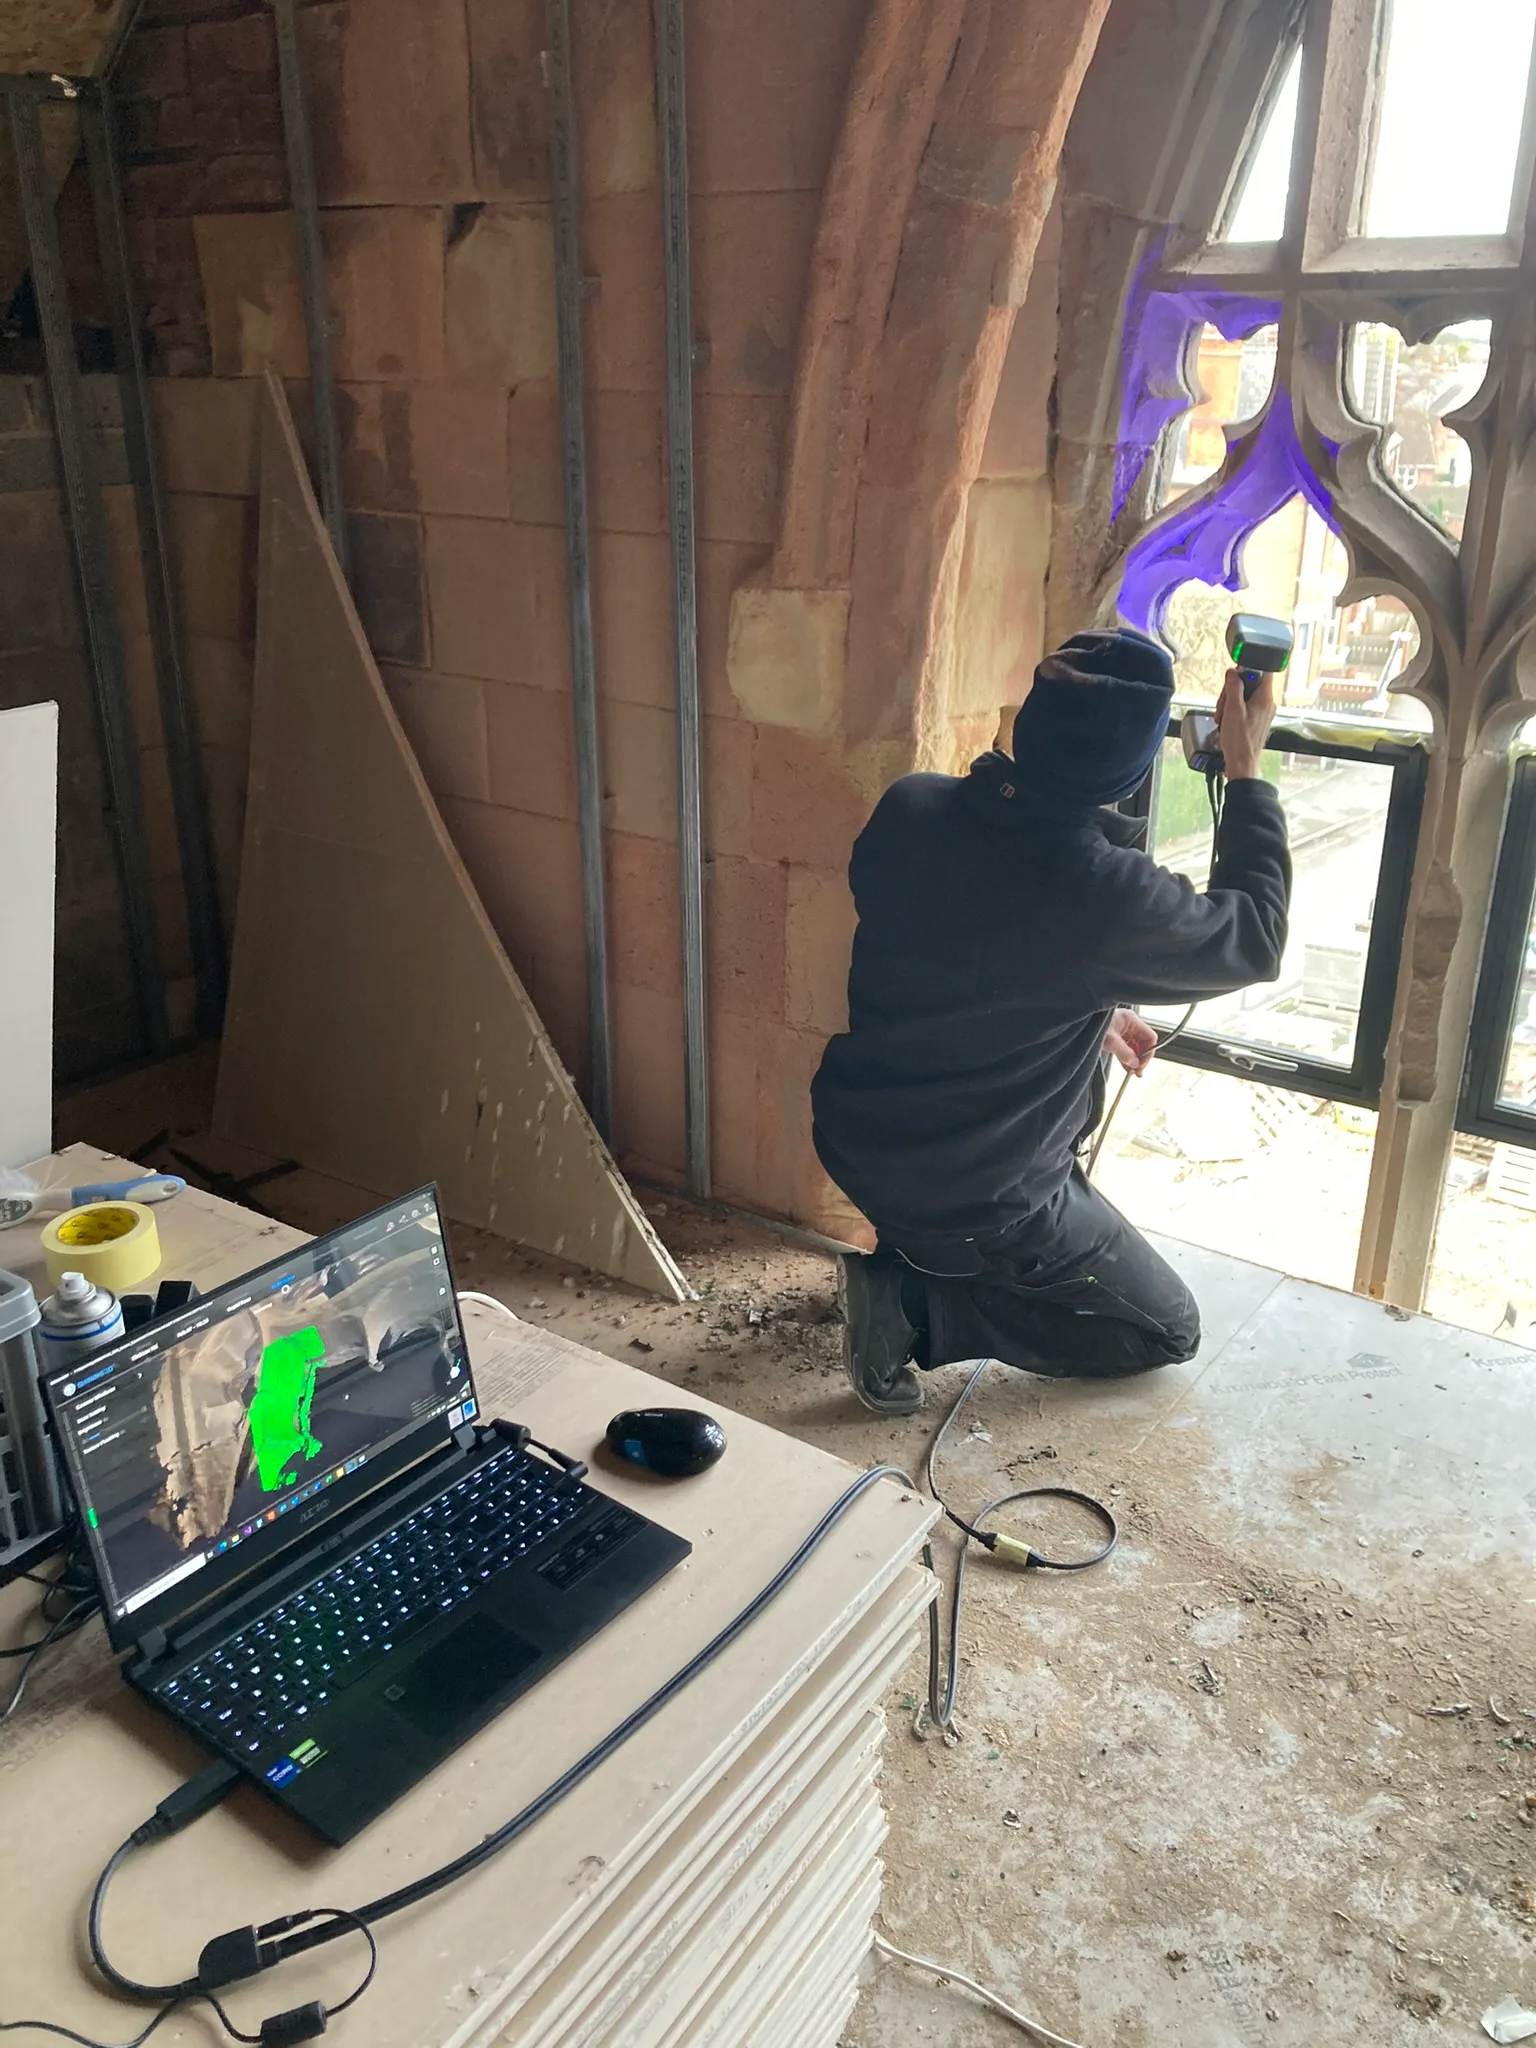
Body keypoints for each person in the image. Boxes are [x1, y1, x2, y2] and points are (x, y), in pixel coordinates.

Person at [811, 625, 1291, 1414]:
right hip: (979, 1193)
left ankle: (915, 1256)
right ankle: (914, 1313)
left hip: (859, 1139)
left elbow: (961, 944)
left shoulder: (911, 807)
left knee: (948, 1195)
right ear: (1135, 766)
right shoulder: (1101, 893)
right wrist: (1245, 770)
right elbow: (1255, 937)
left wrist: (1086, 1007)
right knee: (1166, 1331)